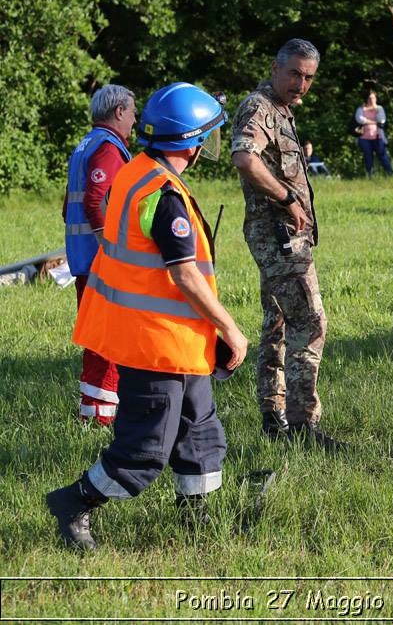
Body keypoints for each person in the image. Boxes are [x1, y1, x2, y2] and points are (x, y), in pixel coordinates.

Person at [46, 82, 250, 550]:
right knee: (146, 447)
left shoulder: (136, 169)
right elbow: (186, 276)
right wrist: (231, 330)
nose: (205, 146)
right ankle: (73, 504)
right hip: (154, 344)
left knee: (199, 431)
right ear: (191, 142)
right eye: (205, 137)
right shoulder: (165, 195)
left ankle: (198, 520)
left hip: (176, 341)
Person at [230, 39, 342, 451]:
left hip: (280, 236)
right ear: (275, 69)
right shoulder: (259, 108)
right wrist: (286, 197)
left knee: (277, 321)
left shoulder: (281, 110)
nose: (301, 84)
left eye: (308, 77)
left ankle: (272, 415)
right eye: (295, 73)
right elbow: (244, 158)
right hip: (278, 236)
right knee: (309, 322)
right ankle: (302, 424)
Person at [62, 84, 136, 425]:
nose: (134, 121)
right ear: (119, 112)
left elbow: (68, 207)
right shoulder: (108, 148)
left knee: (95, 337)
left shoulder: (84, 146)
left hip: (81, 259)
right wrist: (112, 248)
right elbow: (94, 201)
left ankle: (90, 413)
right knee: (110, 338)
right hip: (100, 262)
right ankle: (104, 417)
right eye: (133, 113)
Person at [354, 91, 393, 176]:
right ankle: (369, 174)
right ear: (366, 99)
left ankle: (390, 173)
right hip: (364, 138)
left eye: (374, 98)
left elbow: (382, 120)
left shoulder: (379, 108)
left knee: (382, 155)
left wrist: (368, 121)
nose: (372, 100)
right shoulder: (361, 109)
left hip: (378, 137)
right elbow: (360, 119)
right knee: (368, 156)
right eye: (370, 98)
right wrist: (374, 122)